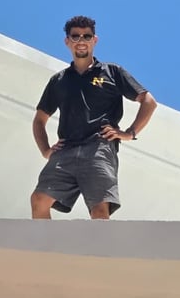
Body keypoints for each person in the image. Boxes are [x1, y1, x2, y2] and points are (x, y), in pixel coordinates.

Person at [30, 15, 157, 219]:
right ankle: (44, 249)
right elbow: (39, 119)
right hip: (66, 150)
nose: (81, 40)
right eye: (76, 36)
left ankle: (101, 251)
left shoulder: (112, 72)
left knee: (99, 209)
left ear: (94, 40)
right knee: (39, 199)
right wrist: (45, 150)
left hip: (99, 148)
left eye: (86, 36)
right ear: (67, 41)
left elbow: (149, 101)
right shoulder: (59, 80)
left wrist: (129, 133)